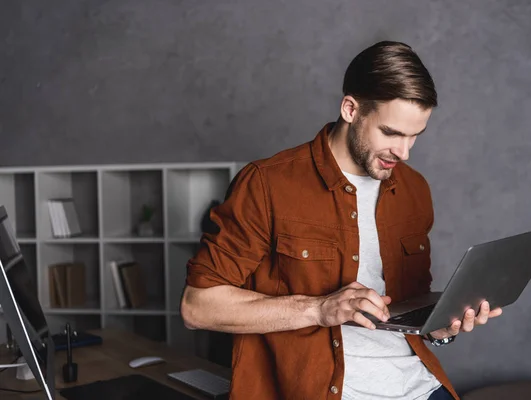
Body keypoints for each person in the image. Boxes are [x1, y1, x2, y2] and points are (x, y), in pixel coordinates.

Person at [181, 41, 502, 400]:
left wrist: (440, 324)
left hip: (420, 386)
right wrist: (319, 309)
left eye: (415, 136)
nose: (404, 152)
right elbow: (198, 307)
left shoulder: (414, 189)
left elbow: (410, 304)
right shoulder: (267, 184)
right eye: (392, 133)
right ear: (351, 109)